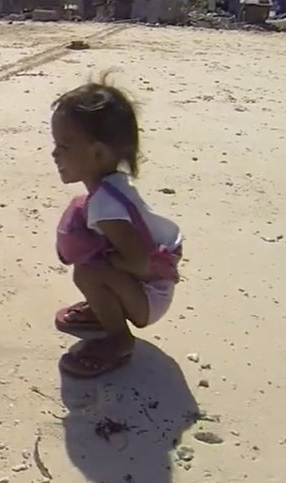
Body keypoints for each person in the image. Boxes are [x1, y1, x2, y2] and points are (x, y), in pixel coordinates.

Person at [49, 74, 184, 378]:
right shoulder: (112, 187)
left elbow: (139, 262)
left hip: (150, 298)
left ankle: (118, 339)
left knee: (88, 271)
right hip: (147, 286)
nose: (55, 153)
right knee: (95, 268)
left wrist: (105, 262)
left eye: (64, 146)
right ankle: (103, 309)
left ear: (97, 153)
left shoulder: (105, 206)